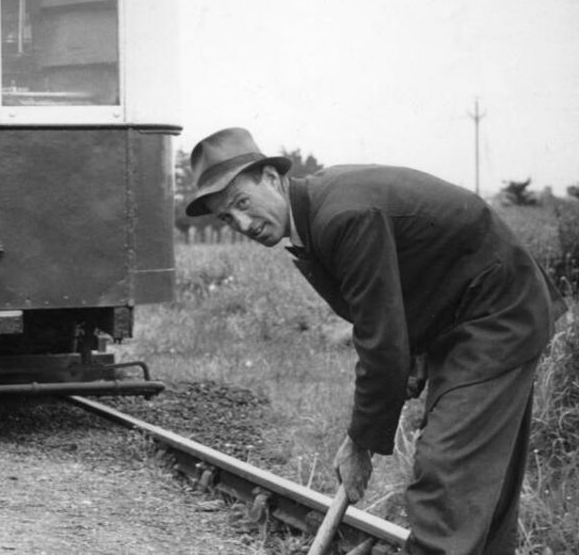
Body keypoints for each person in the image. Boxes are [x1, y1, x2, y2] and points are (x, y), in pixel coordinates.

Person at [185, 127, 566, 553]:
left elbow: (379, 340)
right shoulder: (314, 218)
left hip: (497, 314)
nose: (241, 224)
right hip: (465, 316)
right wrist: (414, 355)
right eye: (226, 217)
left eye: (241, 203)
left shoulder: (342, 216)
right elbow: (403, 294)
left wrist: (360, 444)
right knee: (477, 489)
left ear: (271, 179)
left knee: (446, 473)